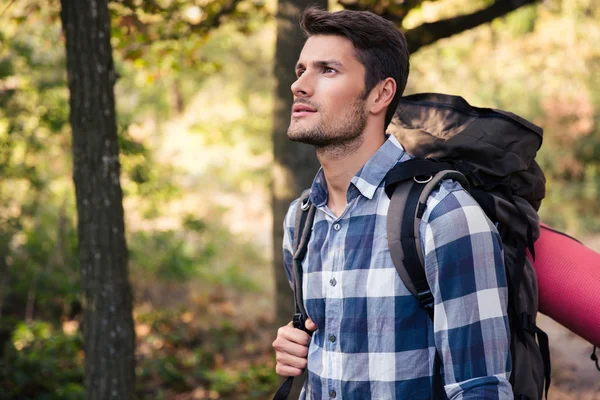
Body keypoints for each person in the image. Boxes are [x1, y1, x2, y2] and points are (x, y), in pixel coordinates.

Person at [272, 7, 513, 399]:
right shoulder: (301, 220)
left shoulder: (442, 214)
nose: (300, 85)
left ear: (380, 94)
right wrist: (299, 347)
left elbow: (480, 388)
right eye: (301, 70)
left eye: (327, 70)